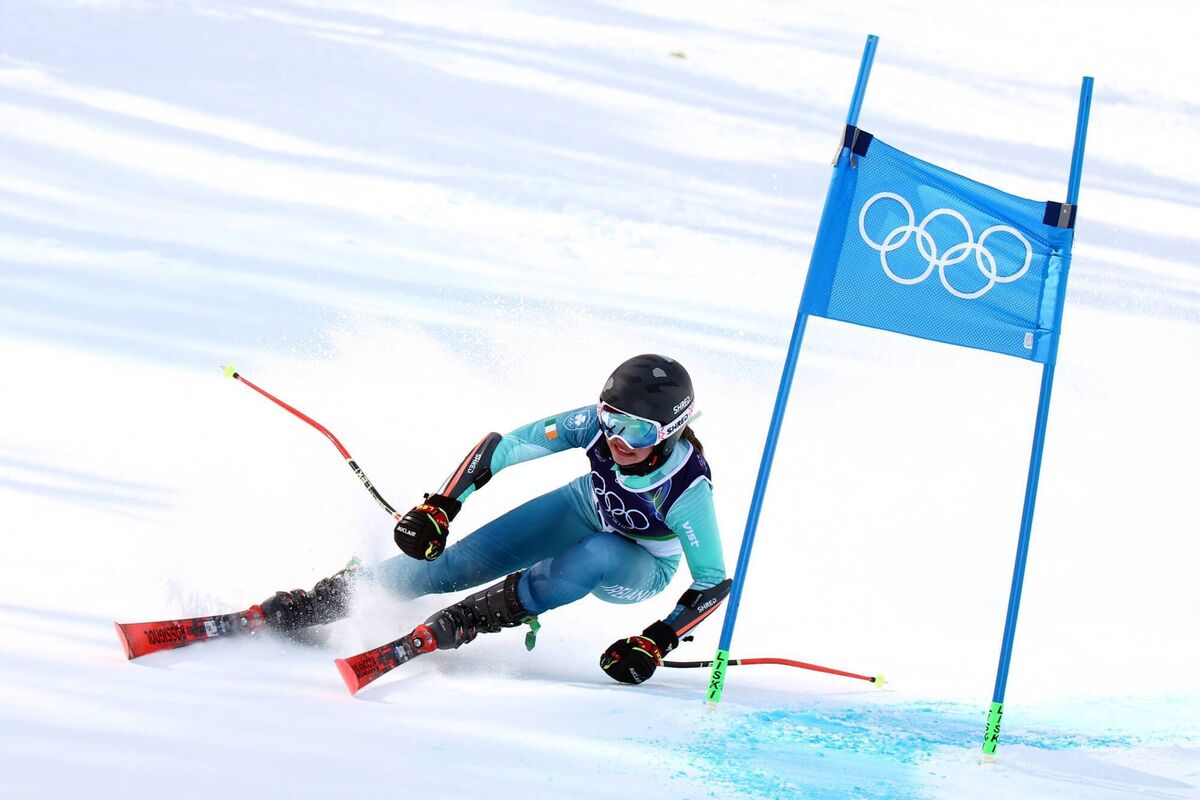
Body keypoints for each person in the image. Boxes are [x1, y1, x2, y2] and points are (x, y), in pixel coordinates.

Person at [259, 354, 730, 685]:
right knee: (451, 564)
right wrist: (441, 507)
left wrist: (656, 641)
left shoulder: (685, 488)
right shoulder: (593, 426)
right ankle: (334, 596)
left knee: (597, 554)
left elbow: (712, 581)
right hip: (588, 507)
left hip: (640, 563)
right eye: (611, 418)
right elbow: (502, 447)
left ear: (669, 431)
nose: (617, 439)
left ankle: (471, 619)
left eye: (639, 430)